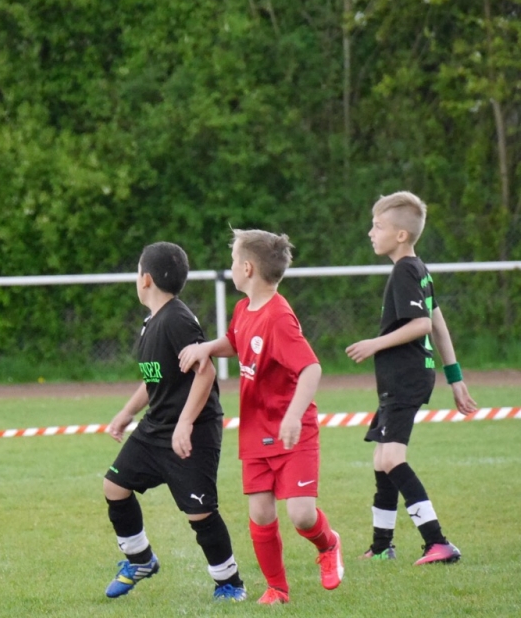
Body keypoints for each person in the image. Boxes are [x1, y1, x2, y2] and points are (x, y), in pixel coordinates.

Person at [178, 229, 343, 606]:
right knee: (261, 512)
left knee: (301, 515)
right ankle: (277, 589)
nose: (231, 267)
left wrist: (293, 416)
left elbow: (311, 368)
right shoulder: (243, 309)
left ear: (248, 268)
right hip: (255, 429)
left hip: (292, 431)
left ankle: (329, 544)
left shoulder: (279, 317)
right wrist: (206, 347)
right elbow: (235, 342)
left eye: (233, 261)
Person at [102, 242, 247, 602]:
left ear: (146, 279)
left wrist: (185, 423)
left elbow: (205, 371)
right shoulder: (152, 322)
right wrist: (127, 412)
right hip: (156, 427)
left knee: (200, 512)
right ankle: (140, 560)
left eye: (137, 272)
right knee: (115, 486)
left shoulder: (176, 319)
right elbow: (157, 379)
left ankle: (229, 582)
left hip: (193, 430)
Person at [345, 191, 478, 565]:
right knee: (380, 458)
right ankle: (381, 546)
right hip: (404, 378)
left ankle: (438, 542)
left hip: (405, 377)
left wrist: (374, 343)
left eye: (378, 226)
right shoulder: (419, 268)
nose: (371, 232)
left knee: (391, 458)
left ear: (401, 235)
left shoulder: (405, 270)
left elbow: (421, 324)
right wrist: (455, 377)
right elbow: (439, 324)